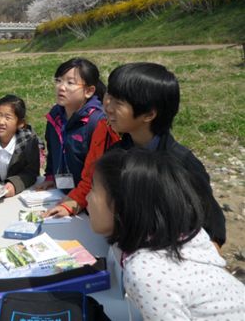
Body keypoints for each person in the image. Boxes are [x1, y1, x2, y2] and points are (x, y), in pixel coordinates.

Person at [87, 149, 245, 320]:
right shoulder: (179, 236)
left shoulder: (145, 273)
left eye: (93, 189)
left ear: (123, 205)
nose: (87, 198)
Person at [104, 62, 226, 247]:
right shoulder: (116, 155)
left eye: (118, 102)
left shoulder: (182, 163)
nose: (108, 107)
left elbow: (211, 225)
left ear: (149, 114)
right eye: (109, 96)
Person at [41, 58, 119, 217]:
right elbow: (53, 150)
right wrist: (50, 175)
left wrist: (74, 202)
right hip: (62, 194)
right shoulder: (54, 116)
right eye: (58, 80)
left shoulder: (98, 123)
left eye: (70, 83)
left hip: (87, 202)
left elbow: (97, 175)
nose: (61, 87)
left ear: (89, 91)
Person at [0, 95, 40, 197]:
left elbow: (31, 172)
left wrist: (14, 185)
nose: (1, 122)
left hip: (22, 194)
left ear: (20, 123)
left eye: (7, 117)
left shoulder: (28, 142)